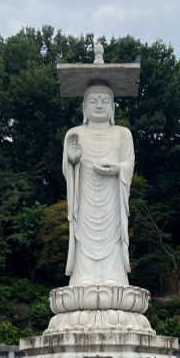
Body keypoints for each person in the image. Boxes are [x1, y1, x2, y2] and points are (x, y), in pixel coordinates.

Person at [63, 84, 134, 286]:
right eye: (94, 101)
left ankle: (114, 275)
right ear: (84, 108)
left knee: (112, 235)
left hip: (112, 198)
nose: (100, 105)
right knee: (83, 235)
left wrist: (118, 169)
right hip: (84, 198)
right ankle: (84, 277)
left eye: (105, 101)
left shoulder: (123, 134)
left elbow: (129, 163)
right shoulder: (74, 134)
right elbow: (67, 170)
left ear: (113, 108)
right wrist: (72, 160)